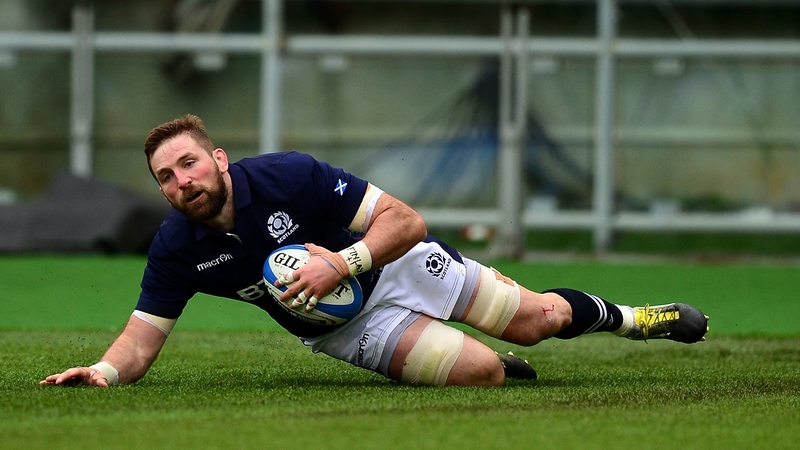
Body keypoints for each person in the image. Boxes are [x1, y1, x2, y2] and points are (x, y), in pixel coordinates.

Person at [40, 114, 709, 388]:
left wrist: (343, 260)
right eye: (166, 176)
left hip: (390, 262)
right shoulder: (176, 247)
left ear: (217, 159)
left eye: (188, 163)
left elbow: (405, 220)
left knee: (542, 322)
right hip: (347, 328)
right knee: (485, 376)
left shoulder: (287, 176)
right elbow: (141, 338)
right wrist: (103, 371)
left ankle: (632, 319)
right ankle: (485, 353)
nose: (181, 182)